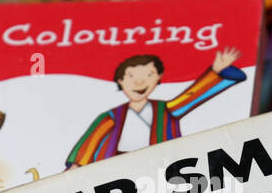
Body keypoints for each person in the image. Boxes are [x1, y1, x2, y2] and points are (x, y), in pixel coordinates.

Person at [66, 47, 244, 168]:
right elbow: (90, 142)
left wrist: (217, 71)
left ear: (158, 78)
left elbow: (193, 96)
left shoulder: (166, 110)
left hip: (164, 166)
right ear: (121, 81)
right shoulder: (111, 116)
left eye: (148, 74)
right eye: (131, 76)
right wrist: (76, 167)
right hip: (118, 171)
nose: (139, 81)